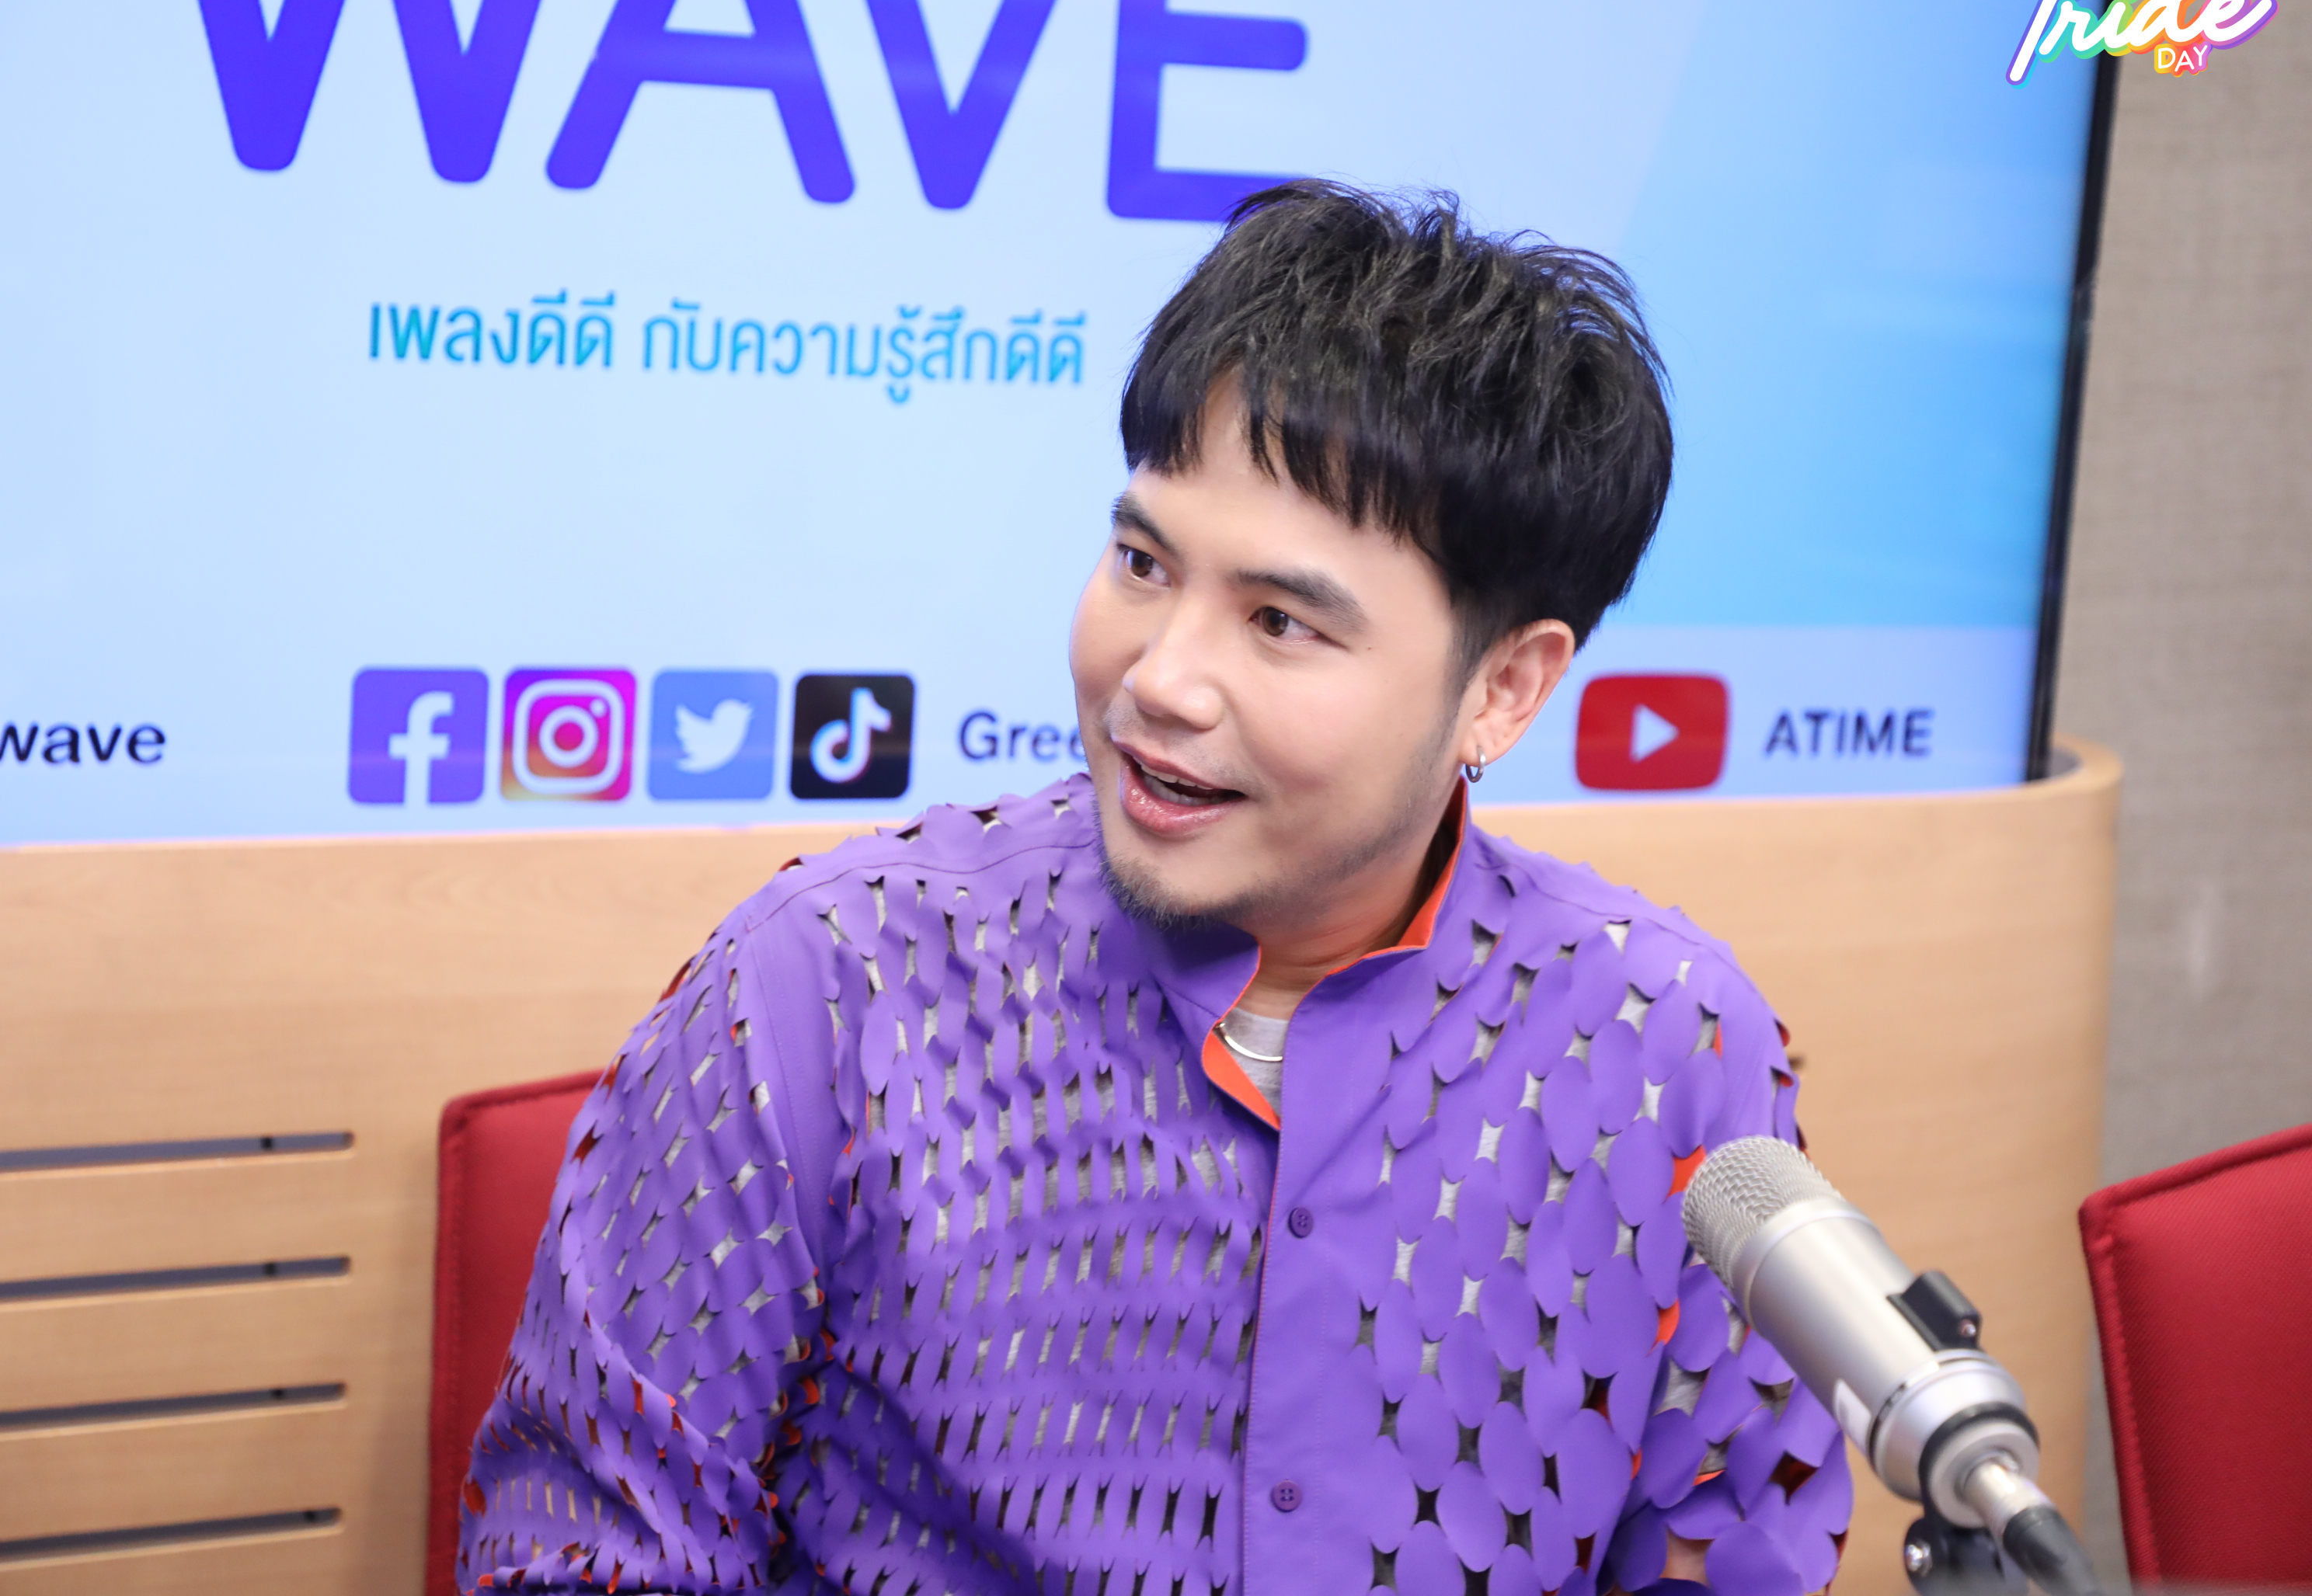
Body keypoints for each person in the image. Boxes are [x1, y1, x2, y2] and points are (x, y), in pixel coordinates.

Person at [458, 183, 1850, 1596]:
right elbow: (579, 1544)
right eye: (1141, 562)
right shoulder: (831, 980)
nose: (1161, 680)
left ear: (1504, 688)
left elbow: (1733, 1554)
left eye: (1280, 622)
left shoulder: (1671, 1046)